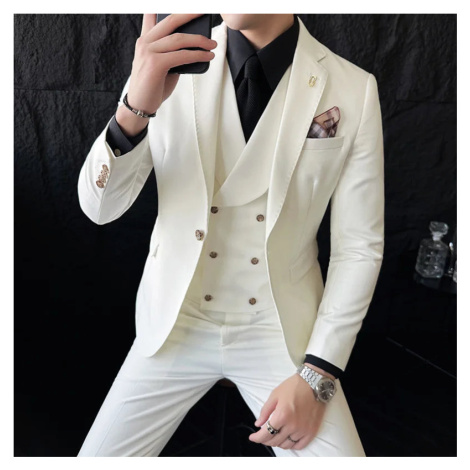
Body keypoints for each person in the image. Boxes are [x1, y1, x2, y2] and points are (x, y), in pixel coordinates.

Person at [76, 13, 384, 457]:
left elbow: (359, 248)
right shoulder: (169, 57)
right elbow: (99, 208)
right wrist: (134, 108)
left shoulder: (353, 87)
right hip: (174, 323)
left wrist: (318, 375)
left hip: (280, 333)